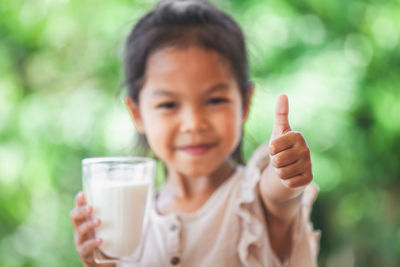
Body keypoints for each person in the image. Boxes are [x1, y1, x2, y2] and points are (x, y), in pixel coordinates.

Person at [70, 0, 320, 266]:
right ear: (137, 114)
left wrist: (286, 170)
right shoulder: (125, 221)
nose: (193, 123)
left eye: (214, 100)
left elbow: (279, 191)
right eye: (168, 104)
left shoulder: (255, 197)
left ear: (245, 104)